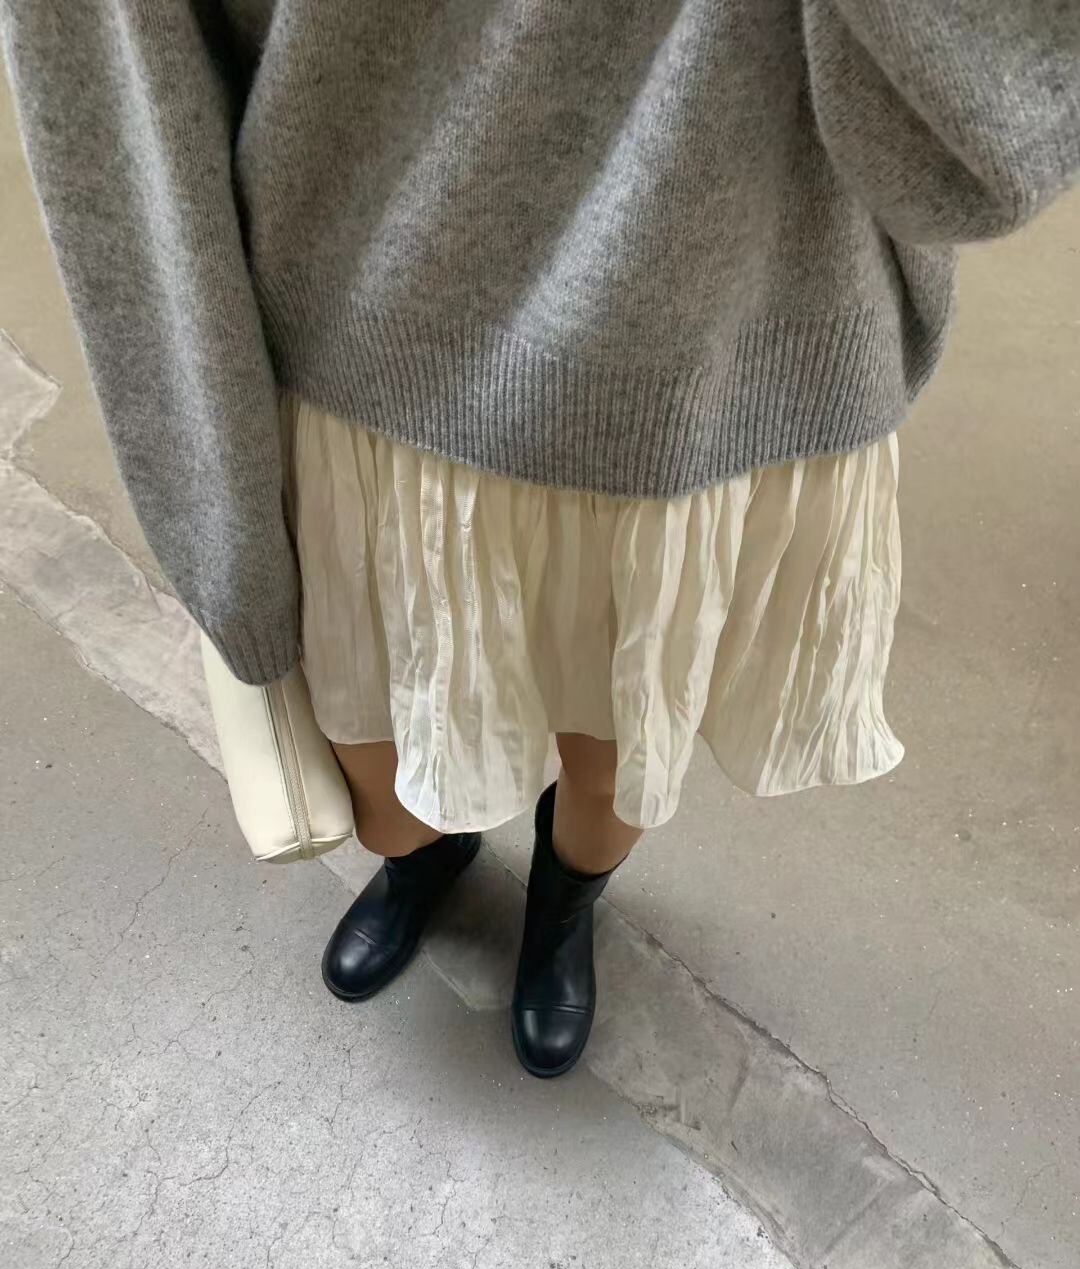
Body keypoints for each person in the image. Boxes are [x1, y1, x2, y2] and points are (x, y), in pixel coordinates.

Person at [4, 2, 1078, 1078]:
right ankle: (426, 865)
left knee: (613, 757)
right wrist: (210, 493)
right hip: (364, 328)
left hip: (702, 341)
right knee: (381, 768)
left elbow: (982, 134)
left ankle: (563, 910)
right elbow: (110, 78)